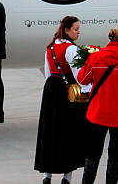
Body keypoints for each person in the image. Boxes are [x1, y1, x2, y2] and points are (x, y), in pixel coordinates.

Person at [34, 16, 89, 184]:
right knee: (69, 132)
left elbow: (49, 72)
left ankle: (47, 175)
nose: (78, 32)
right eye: (75, 29)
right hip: (67, 92)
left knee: (50, 131)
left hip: (51, 90)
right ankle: (67, 176)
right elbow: (78, 74)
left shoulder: (50, 47)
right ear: (66, 30)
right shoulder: (71, 49)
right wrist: (88, 89)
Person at [77, 27, 118, 184]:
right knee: (115, 155)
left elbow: (83, 79)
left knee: (93, 153)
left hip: (98, 113)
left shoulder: (97, 57)